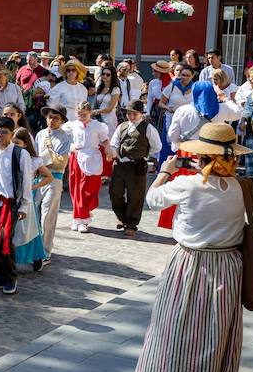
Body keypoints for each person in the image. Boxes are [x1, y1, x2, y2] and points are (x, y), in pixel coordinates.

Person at [130, 123, 249, 372]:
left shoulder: (188, 185)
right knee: (216, 337)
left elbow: (152, 200)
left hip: (190, 264)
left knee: (177, 336)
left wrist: (166, 171)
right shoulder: (239, 187)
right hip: (228, 266)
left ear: (201, 157)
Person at [0, 117, 31, 295]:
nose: (0, 135)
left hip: (10, 203)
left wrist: (24, 206)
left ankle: (11, 277)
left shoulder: (20, 153)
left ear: (12, 134)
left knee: (5, 240)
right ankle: (0, 276)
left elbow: (25, 181)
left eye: (4, 132)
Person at [107, 100, 161, 235]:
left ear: (141, 114)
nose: (131, 116)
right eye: (129, 113)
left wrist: (144, 154)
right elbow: (114, 143)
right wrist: (113, 153)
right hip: (120, 164)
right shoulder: (122, 126)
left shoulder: (148, 128)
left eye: (134, 114)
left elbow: (157, 146)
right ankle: (121, 216)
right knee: (115, 193)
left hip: (137, 165)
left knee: (135, 196)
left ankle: (131, 223)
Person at [63, 102, 109, 232]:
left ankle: (85, 213)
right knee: (77, 189)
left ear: (90, 113)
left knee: (90, 188)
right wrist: (70, 146)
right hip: (77, 157)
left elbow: (104, 140)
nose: (81, 117)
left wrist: (109, 149)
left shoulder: (97, 126)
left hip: (92, 157)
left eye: (84, 114)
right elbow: (60, 134)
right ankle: (79, 219)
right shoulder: (72, 125)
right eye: (79, 114)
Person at [11, 128, 52, 271]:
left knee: (29, 229)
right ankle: (13, 258)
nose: (14, 145)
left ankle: (35, 257)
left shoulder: (34, 160)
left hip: (26, 201)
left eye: (17, 143)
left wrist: (33, 187)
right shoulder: (9, 156)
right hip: (13, 198)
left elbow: (49, 176)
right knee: (15, 229)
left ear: (25, 144)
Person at [34, 105, 72, 261]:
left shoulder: (65, 137)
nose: (52, 120)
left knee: (48, 215)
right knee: (34, 213)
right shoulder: (40, 134)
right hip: (38, 178)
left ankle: (45, 251)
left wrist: (46, 158)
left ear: (61, 120)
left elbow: (61, 163)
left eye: (56, 118)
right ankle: (35, 248)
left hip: (55, 177)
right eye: (50, 117)